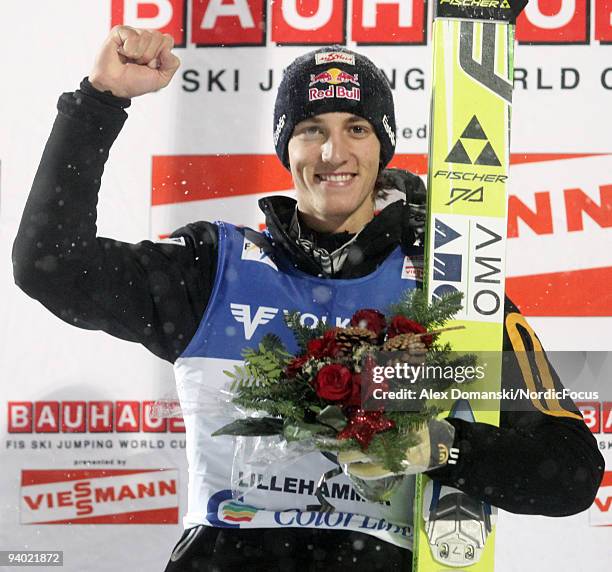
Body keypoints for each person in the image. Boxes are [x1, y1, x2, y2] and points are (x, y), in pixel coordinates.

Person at [13, 26, 604, 571]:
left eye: (357, 128)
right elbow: (52, 268)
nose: (332, 153)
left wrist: (445, 447)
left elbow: (572, 471)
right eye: (311, 129)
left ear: (384, 146)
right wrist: (99, 100)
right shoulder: (215, 268)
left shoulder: (449, 287)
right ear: (285, 146)